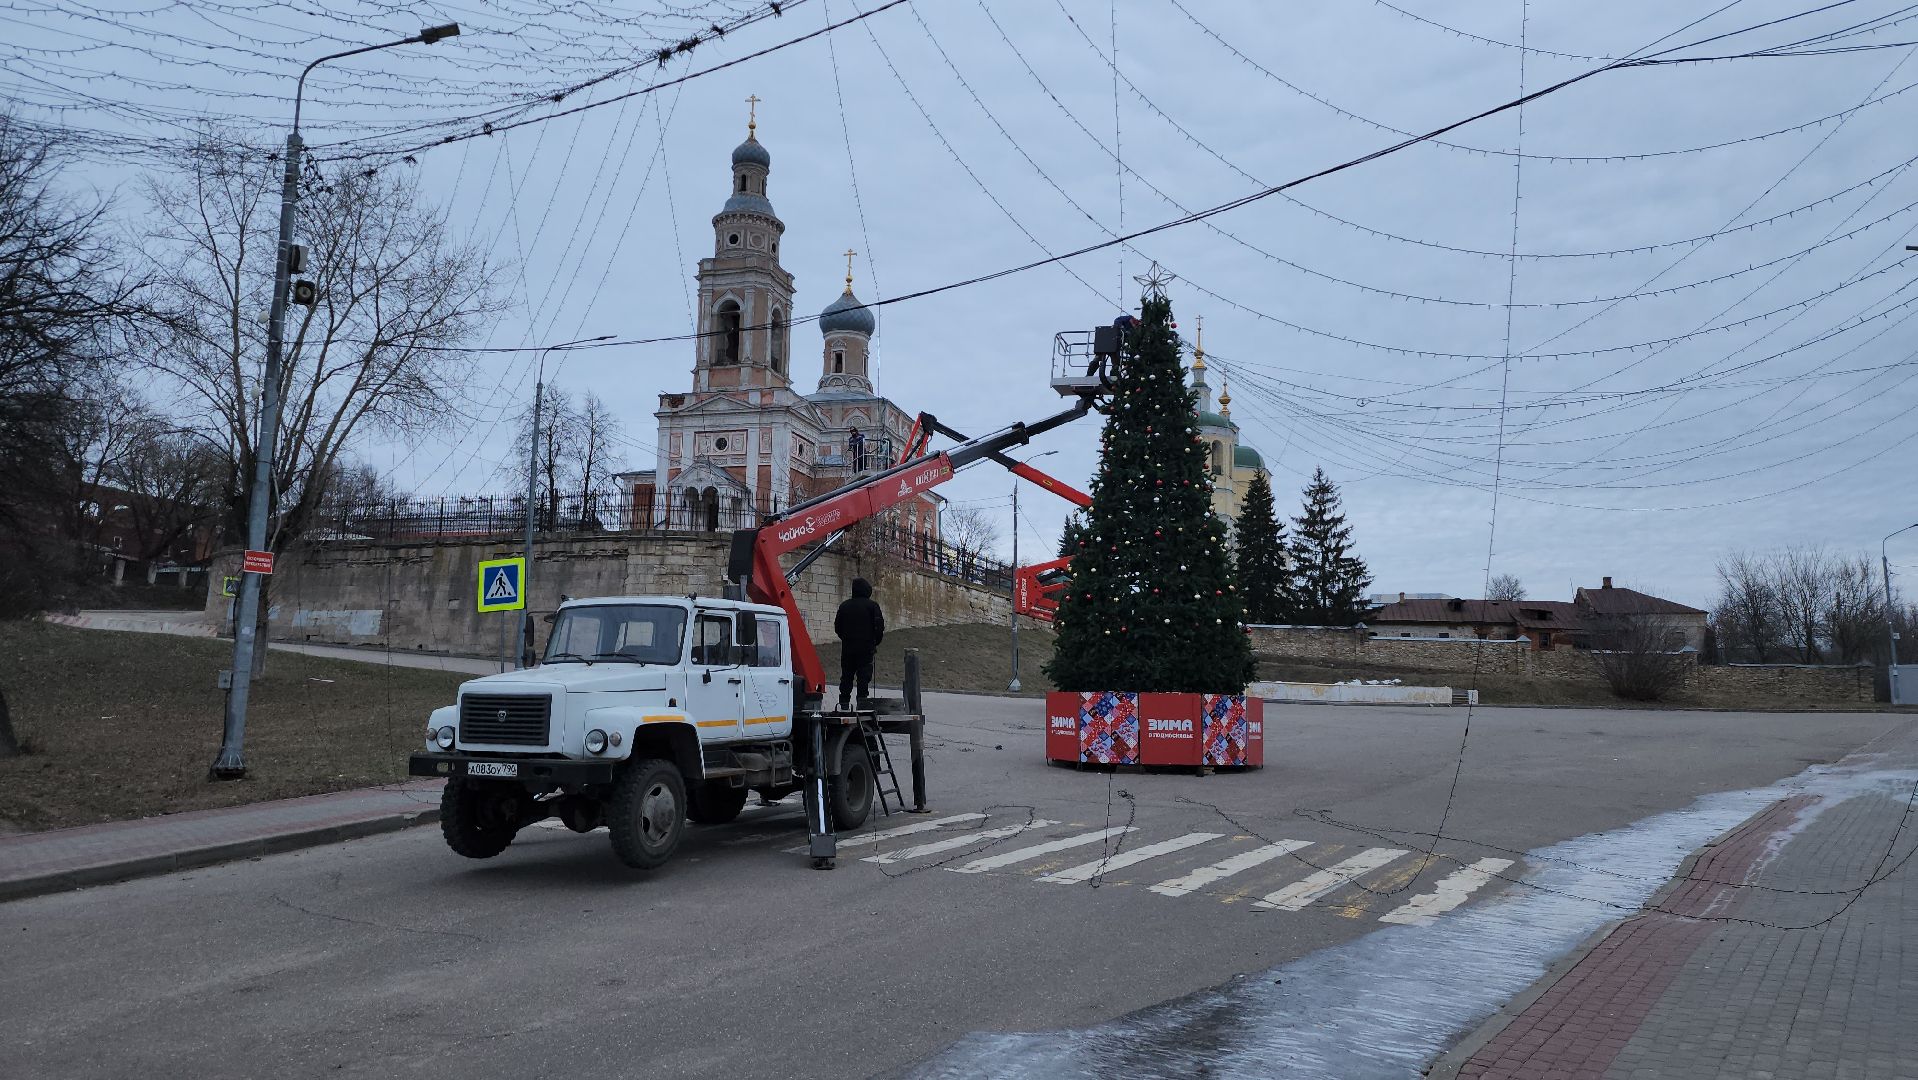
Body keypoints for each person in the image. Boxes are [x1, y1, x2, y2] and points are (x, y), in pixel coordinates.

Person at [833, 577, 885, 710]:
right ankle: (862, 706)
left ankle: (844, 705)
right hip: (866, 648)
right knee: (863, 678)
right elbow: (879, 626)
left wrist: (845, 638)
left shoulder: (844, 606)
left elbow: (837, 627)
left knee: (846, 676)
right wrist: (875, 642)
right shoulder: (872, 606)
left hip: (848, 648)